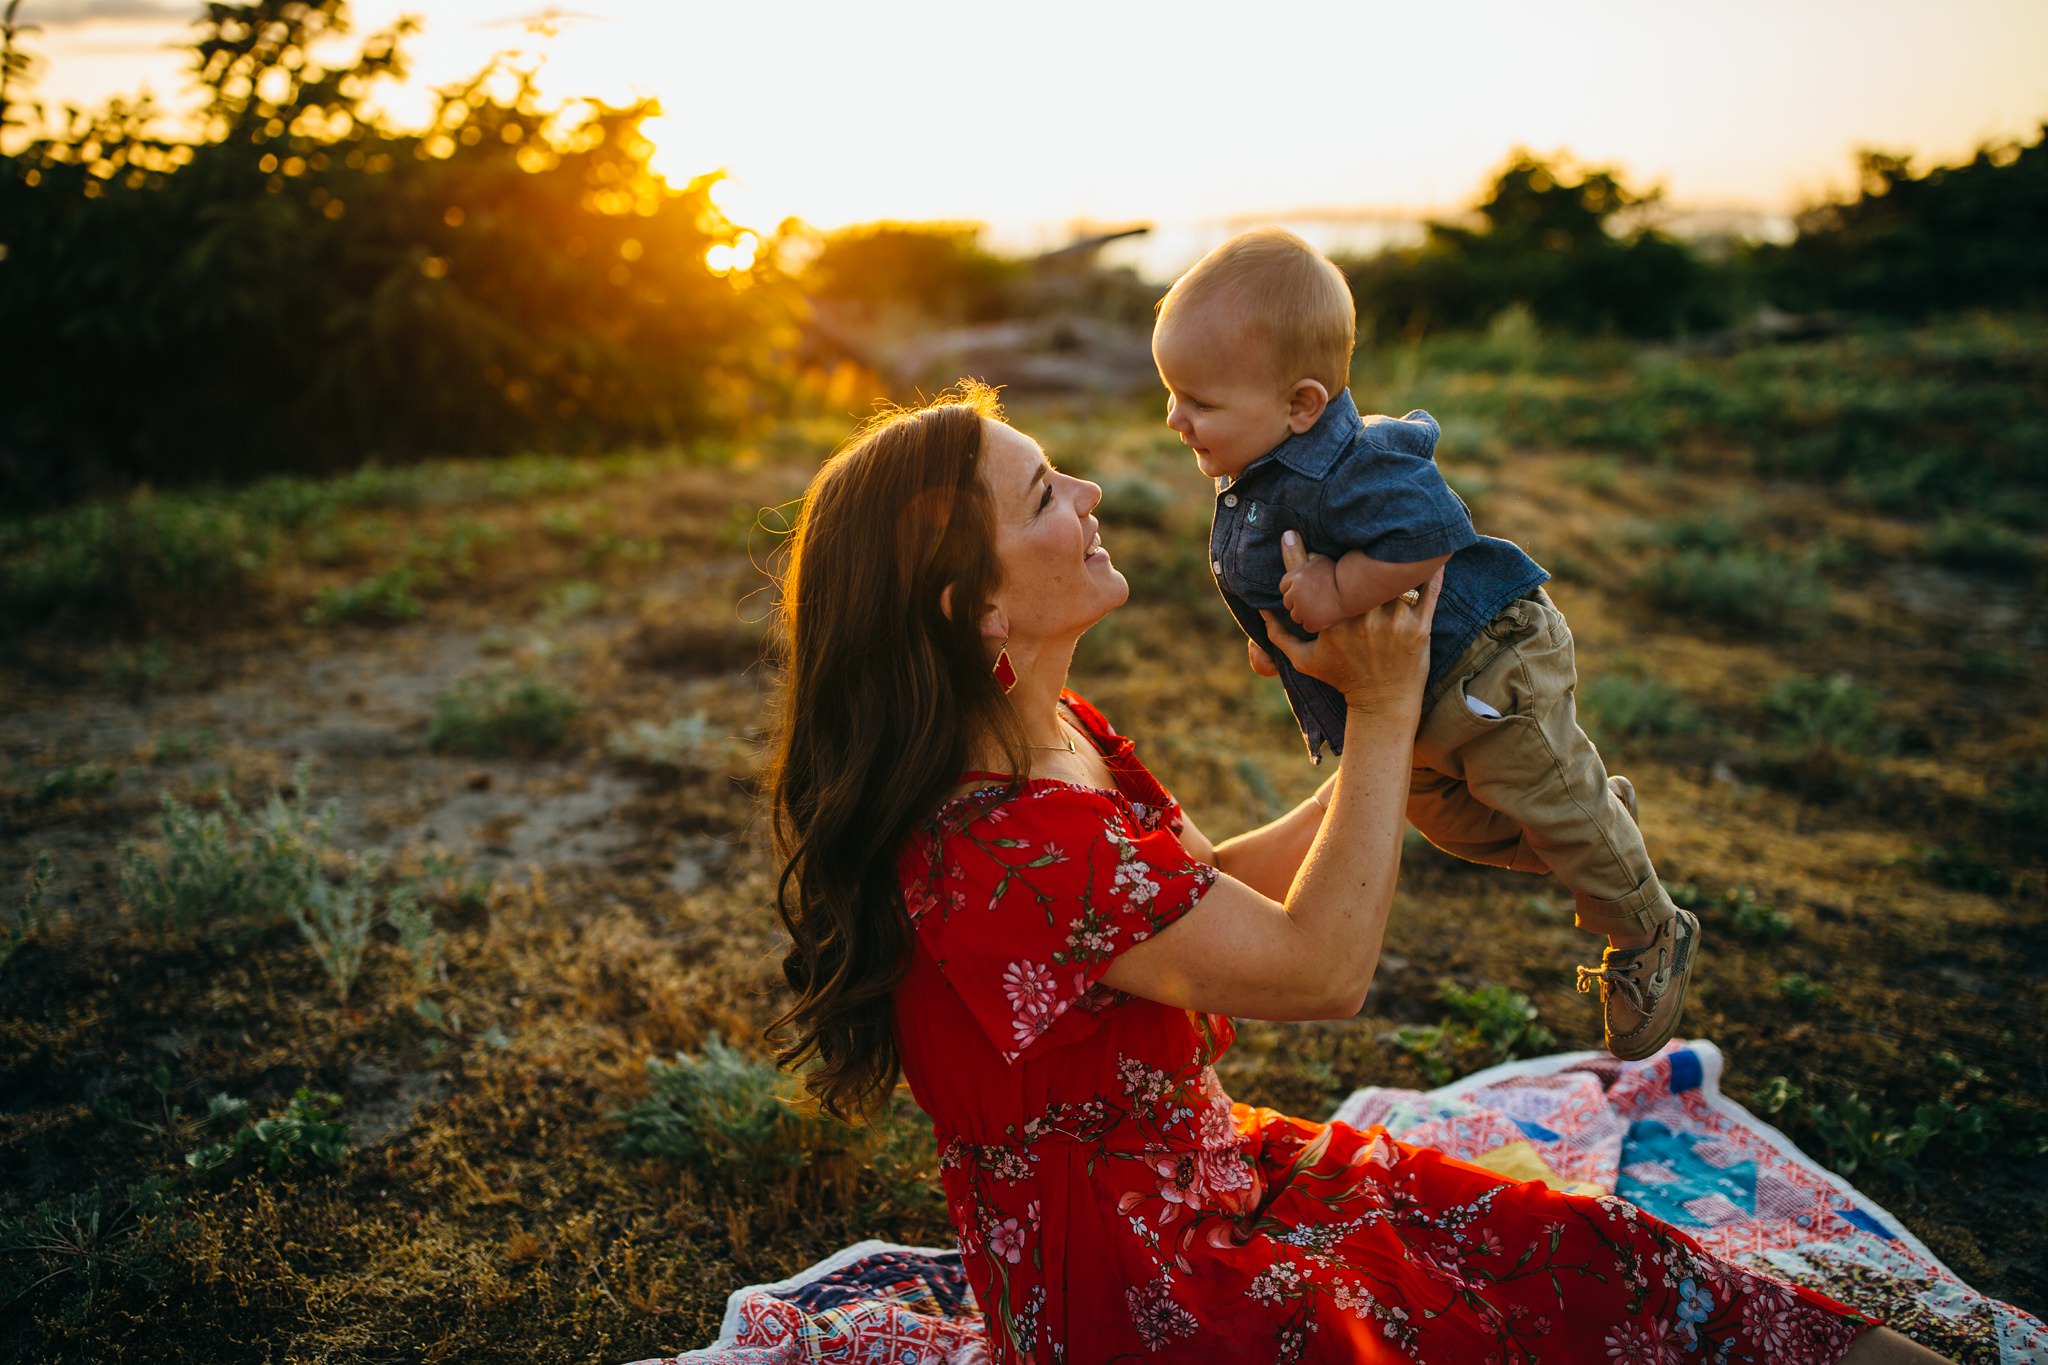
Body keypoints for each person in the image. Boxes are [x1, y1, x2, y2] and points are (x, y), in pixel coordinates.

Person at [763, 385, 1948, 1363]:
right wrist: (1377, 720)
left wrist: (1415, 733)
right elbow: (1319, 971)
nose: (1090, 494)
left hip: (1214, 1165)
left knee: (1599, 1255)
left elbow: (1183, 897)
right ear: (971, 607)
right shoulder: (994, 842)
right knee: (1483, 1324)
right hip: (1140, 1283)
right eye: (1043, 494)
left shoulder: (1053, 733)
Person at [1150, 227, 1695, 1062]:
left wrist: (1337, 591)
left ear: (1301, 403)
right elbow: (1261, 583)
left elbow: (1431, 530)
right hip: (1413, 704)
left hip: (1487, 659)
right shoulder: (1253, 475)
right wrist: (1278, 643)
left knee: (1537, 791)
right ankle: (1597, 823)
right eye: (1172, 394)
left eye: (1199, 401)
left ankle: (1647, 931)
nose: (1175, 418)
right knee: (1451, 821)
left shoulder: (1358, 459)